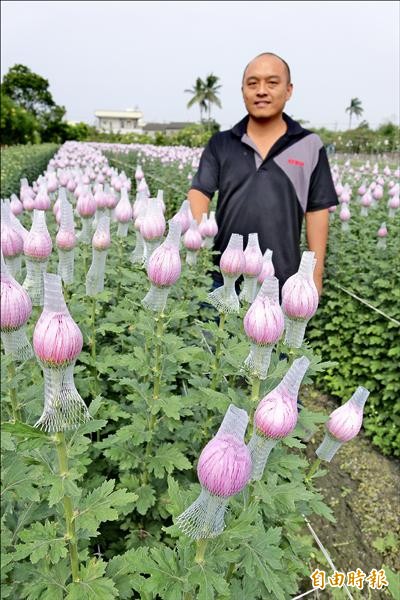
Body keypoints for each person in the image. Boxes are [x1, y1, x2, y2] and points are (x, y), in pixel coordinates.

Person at [188, 52, 338, 295]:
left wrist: (315, 275)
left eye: (272, 82)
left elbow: (317, 210)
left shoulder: (309, 144)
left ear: (288, 90)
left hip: (280, 281)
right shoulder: (221, 143)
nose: (261, 90)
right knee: (214, 333)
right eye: (252, 83)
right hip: (222, 275)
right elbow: (199, 191)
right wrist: (199, 239)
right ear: (243, 90)